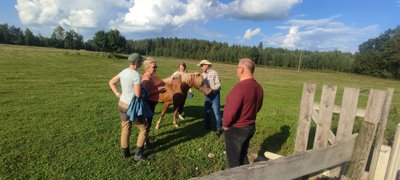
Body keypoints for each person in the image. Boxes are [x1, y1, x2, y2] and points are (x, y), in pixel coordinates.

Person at [222, 58, 264, 168]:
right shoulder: (258, 87)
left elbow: (230, 111)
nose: (237, 70)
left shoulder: (240, 87)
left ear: (241, 70)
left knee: (233, 162)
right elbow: (258, 107)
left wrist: (225, 124)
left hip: (237, 129)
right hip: (250, 127)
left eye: (237, 68)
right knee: (243, 155)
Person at [108, 53, 148, 161]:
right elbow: (138, 94)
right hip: (132, 107)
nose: (141, 63)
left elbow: (111, 82)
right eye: (140, 62)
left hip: (121, 104)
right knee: (144, 128)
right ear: (136, 62)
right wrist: (141, 85)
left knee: (125, 129)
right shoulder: (135, 76)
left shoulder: (124, 72)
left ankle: (125, 154)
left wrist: (118, 94)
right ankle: (138, 155)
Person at [141, 57, 166, 147]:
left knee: (148, 122)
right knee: (147, 123)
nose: (155, 68)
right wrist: (158, 90)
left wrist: (158, 85)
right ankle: (144, 141)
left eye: (156, 66)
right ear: (148, 67)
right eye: (154, 67)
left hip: (152, 102)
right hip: (148, 103)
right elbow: (144, 93)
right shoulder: (147, 78)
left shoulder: (151, 76)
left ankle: (146, 138)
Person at [197, 59, 223, 137]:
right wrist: (203, 90)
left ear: (207, 65)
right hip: (208, 96)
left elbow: (219, 85)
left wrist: (212, 89)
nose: (201, 67)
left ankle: (218, 128)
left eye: (202, 65)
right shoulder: (202, 75)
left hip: (215, 95)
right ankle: (207, 126)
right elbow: (201, 85)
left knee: (216, 113)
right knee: (206, 111)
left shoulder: (214, 73)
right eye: (201, 66)